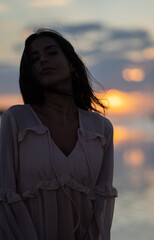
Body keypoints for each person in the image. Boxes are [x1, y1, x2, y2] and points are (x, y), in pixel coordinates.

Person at [0, 28, 117, 240]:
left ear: (72, 63)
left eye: (51, 53)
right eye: (35, 59)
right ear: (31, 73)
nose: (43, 60)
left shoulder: (101, 129)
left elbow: (101, 205)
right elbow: (5, 196)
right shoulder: (17, 120)